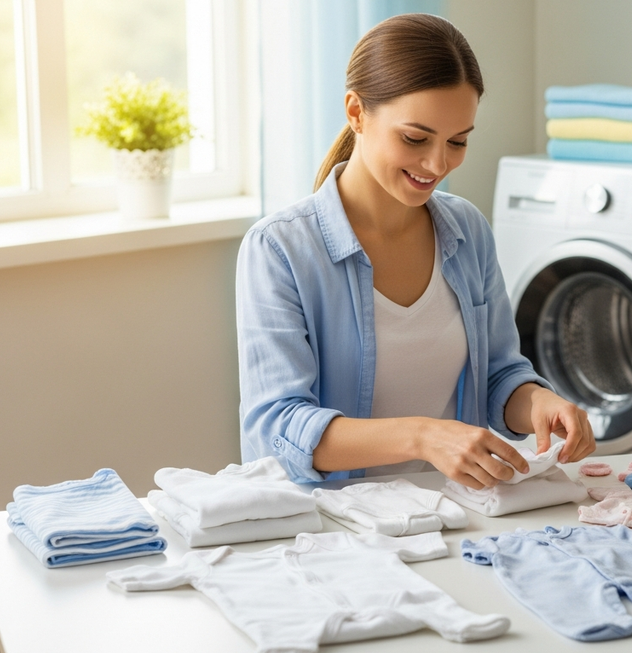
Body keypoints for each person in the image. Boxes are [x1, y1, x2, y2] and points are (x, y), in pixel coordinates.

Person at [236, 14, 595, 489]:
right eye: (415, 138)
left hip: (454, 518)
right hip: (331, 530)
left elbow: (499, 375)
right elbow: (276, 427)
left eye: (458, 141)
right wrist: (423, 437)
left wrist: (539, 404)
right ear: (356, 112)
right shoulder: (280, 248)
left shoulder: (467, 230)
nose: (437, 164)